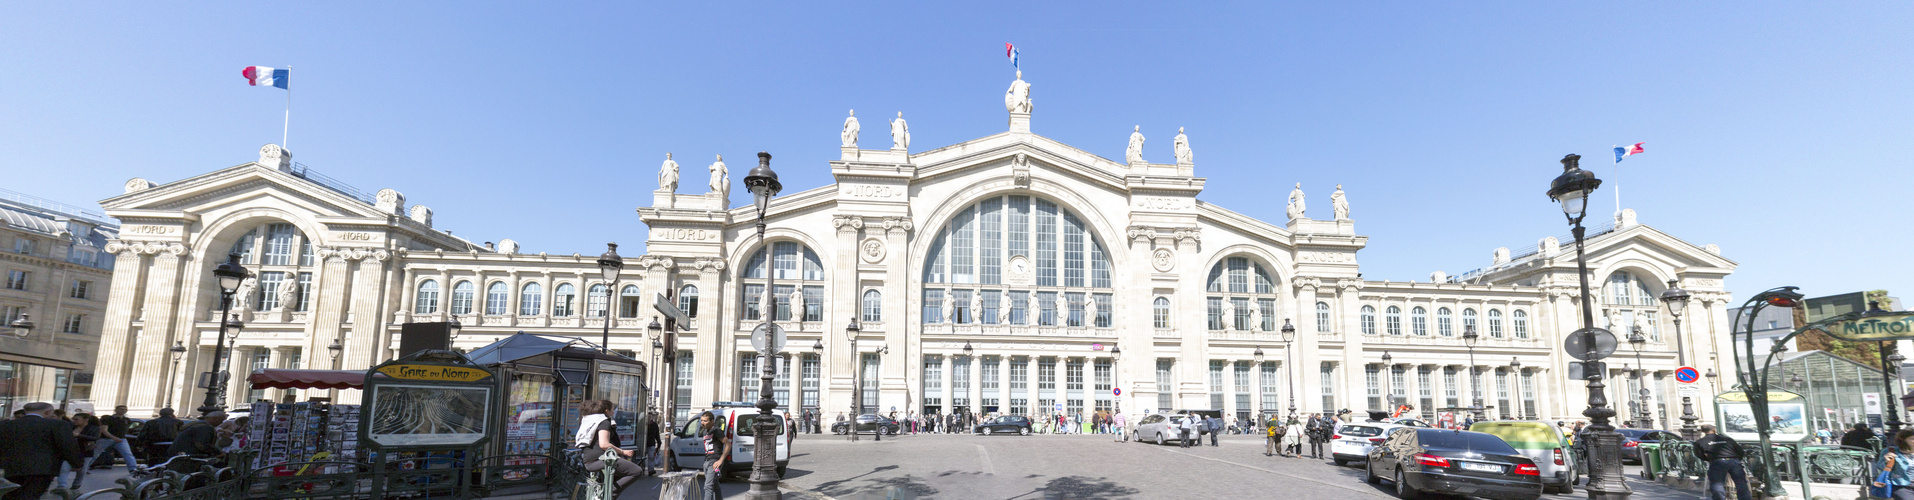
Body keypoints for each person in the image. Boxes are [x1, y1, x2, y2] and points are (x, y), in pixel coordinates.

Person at [1, 402, 84, 500]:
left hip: (10, 467)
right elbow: (68, 446)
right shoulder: (58, 425)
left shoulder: (6, 425)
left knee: (11, 495)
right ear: (48, 412)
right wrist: (77, 464)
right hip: (42, 468)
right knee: (31, 495)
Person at [574, 400, 642, 497]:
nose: (613, 412)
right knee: (636, 471)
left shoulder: (590, 421)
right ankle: (610, 493)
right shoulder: (604, 422)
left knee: (616, 477)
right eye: (612, 410)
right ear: (606, 411)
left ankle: (607, 493)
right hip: (602, 460)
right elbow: (604, 444)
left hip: (589, 461)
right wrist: (623, 452)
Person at [1693, 424, 1752, 500]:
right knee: (1741, 483)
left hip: (1717, 462)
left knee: (1717, 484)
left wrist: (1709, 459)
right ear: (1714, 430)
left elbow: (1699, 454)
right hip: (1734, 461)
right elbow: (1740, 451)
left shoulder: (1700, 442)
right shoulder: (1727, 439)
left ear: (1702, 431)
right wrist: (1737, 459)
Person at [58, 413, 103, 490]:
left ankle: (77, 484)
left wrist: (78, 435)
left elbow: (95, 438)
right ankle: (62, 486)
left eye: (76, 419)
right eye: (73, 419)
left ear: (85, 420)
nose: (74, 421)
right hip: (70, 451)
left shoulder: (93, 428)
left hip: (85, 451)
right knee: (64, 468)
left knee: (82, 470)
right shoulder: (70, 426)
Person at [93, 406, 139, 470]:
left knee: (128, 454)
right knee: (95, 454)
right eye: (121, 409)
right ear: (116, 410)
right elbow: (104, 430)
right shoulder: (108, 419)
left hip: (121, 439)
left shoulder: (126, 420)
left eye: (125, 409)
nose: (123, 411)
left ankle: (133, 469)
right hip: (106, 439)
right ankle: (84, 468)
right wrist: (114, 438)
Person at [1872, 429, 1914, 500]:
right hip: (1901, 486)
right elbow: (1880, 466)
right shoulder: (1891, 451)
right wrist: (1886, 462)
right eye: (1912, 439)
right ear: (1903, 439)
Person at [696, 411, 728, 500]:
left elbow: (728, 444)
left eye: (705, 421)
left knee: (708, 486)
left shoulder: (717, 431)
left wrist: (721, 460)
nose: (702, 423)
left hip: (715, 461)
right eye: (702, 421)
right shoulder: (705, 431)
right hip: (707, 461)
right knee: (715, 485)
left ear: (712, 421)